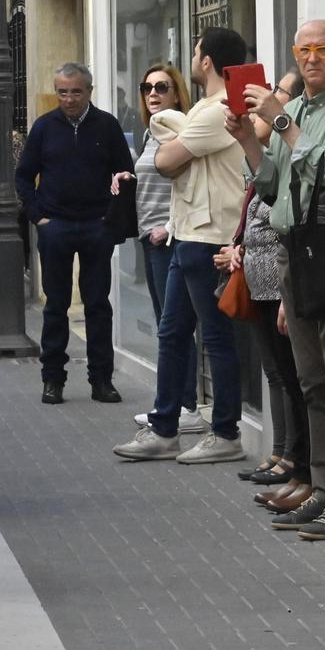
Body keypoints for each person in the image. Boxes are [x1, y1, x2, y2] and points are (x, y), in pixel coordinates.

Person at [228, 19, 325, 541]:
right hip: (295, 252)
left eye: (324, 49)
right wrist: (250, 144)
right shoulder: (291, 110)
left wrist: (280, 126)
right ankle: (323, 488)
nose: (312, 58)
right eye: (304, 50)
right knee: (312, 381)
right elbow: (273, 186)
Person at [115, 30, 253, 464]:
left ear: (207, 61)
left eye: (195, 52)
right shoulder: (201, 111)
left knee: (215, 338)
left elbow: (165, 161)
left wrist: (173, 138)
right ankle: (164, 428)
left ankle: (226, 432)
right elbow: (169, 161)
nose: (191, 59)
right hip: (186, 232)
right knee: (172, 333)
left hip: (210, 236)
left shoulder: (217, 111)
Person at [16, 64, 134, 405]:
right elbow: (24, 175)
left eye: (76, 92)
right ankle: (52, 380)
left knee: (98, 305)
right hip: (56, 227)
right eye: (63, 92)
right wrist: (38, 216)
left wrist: (112, 222)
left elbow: (123, 174)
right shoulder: (44, 128)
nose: (69, 99)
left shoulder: (106, 126)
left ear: (89, 91)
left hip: (97, 226)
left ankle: (102, 380)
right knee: (56, 306)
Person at [114, 63, 201, 433]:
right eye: (147, 86)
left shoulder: (181, 129)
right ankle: (176, 403)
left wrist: (168, 226)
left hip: (169, 238)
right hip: (149, 236)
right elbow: (158, 174)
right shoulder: (154, 132)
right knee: (167, 322)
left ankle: (186, 406)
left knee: (175, 325)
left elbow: (196, 183)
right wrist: (130, 176)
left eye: (162, 87)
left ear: (177, 92)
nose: (153, 93)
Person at [226, 185, 315, 512]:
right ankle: (293, 465)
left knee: (298, 382)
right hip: (261, 288)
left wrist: (286, 296)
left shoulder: (284, 169)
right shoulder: (260, 172)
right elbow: (251, 224)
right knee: (282, 377)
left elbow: (289, 233)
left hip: (281, 289)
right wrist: (237, 247)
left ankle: (300, 467)